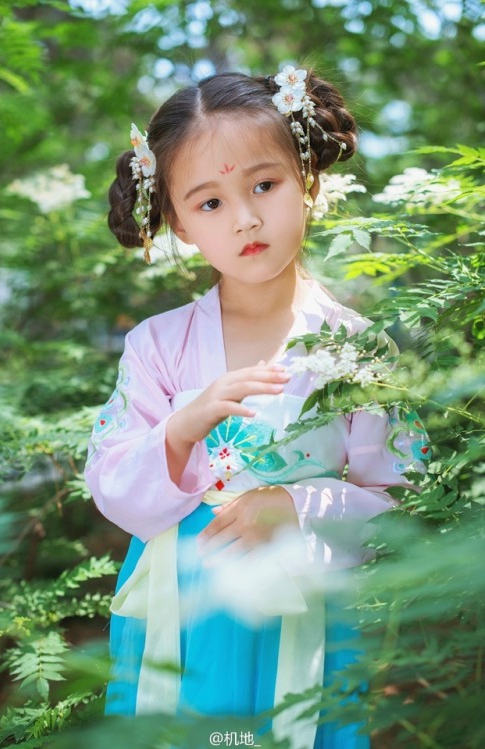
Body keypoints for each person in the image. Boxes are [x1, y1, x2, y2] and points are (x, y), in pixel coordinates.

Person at [84, 67, 428, 749]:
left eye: (264, 185)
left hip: (311, 609)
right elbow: (113, 486)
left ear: (308, 180)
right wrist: (184, 424)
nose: (244, 217)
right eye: (209, 203)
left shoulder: (359, 351)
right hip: (182, 609)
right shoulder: (155, 346)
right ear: (177, 220)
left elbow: (405, 501)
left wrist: (296, 505)